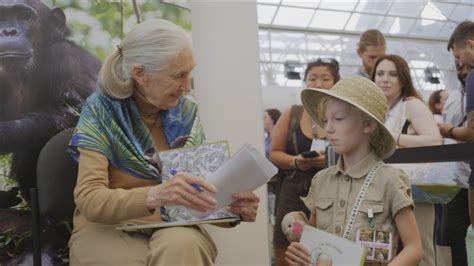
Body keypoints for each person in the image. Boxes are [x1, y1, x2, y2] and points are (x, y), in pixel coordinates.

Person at [67, 19, 260, 265]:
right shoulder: (100, 111)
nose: (187, 87)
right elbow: (89, 199)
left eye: (190, 73)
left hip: (175, 223)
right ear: (140, 74)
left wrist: (232, 209)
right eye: (179, 75)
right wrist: (155, 195)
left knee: (183, 247)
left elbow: (198, 197)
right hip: (108, 225)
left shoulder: (187, 114)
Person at [285, 76, 422, 265]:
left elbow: (414, 248)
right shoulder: (321, 180)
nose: (329, 128)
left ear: (368, 124)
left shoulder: (390, 180)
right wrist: (301, 253)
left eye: (339, 118)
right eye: (326, 120)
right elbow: (314, 239)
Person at [371, 54, 442, 266]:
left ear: (403, 78)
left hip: (415, 191)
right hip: (383, 191)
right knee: (387, 250)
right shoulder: (378, 110)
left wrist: (395, 137)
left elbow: (434, 141)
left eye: (392, 74)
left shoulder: (411, 105)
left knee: (421, 249)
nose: (385, 79)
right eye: (380, 73)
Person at [270, 58, 340, 266]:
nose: (318, 83)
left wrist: (327, 161)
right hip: (294, 189)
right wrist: (296, 161)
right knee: (287, 245)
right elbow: (274, 153)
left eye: (325, 78)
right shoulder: (293, 113)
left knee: (328, 247)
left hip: (332, 189)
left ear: (336, 83)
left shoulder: (343, 114)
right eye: (313, 78)